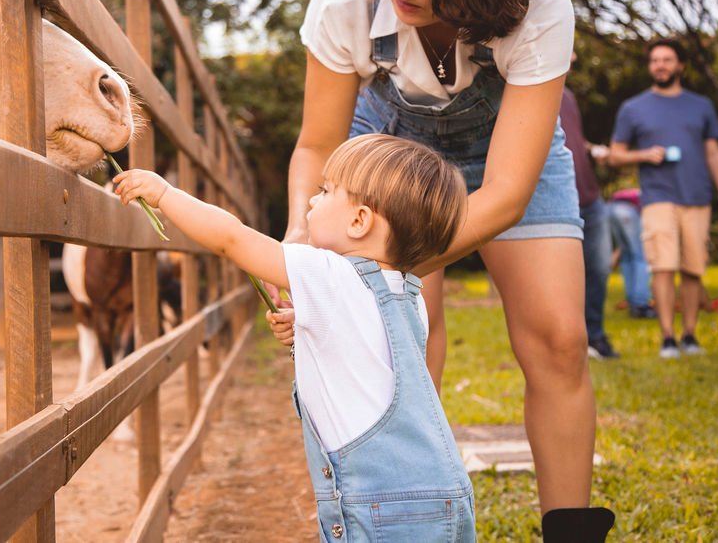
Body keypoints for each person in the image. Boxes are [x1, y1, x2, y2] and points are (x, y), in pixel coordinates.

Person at [276, 0, 614, 537]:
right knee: (402, 336)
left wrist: (392, 262)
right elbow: (316, 144)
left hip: (507, 152)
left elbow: (510, 191)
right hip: (389, 147)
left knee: (559, 338)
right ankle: (403, 517)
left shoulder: (541, 8)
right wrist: (302, 246)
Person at [113, 135, 478, 541]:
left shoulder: (326, 271)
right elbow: (365, 362)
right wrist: (306, 325)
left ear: (359, 221)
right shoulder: (410, 296)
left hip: (380, 503)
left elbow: (232, 239)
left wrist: (164, 194)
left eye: (325, 192)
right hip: (444, 493)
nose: (310, 202)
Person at [609, 38, 718, 358]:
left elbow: (712, 152)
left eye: (667, 60)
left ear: (680, 65)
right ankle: (668, 337)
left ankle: (690, 335)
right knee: (663, 266)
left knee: (693, 268)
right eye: (654, 60)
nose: (660, 65)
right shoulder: (633, 108)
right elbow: (615, 155)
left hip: (697, 196)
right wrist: (645, 155)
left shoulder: (700, 106)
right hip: (657, 198)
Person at [559, 87, 620, 359]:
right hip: (557, 199)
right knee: (564, 277)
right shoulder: (523, 86)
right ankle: (570, 341)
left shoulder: (568, 96)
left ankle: (594, 336)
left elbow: (571, 138)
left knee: (599, 270)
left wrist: (591, 149)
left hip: (589, 197)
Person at [606, 188, 657, 319]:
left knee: (627, 257)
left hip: (610, 209)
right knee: (640, 257)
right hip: (627, 210)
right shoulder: (653, 196)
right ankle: (640, 304)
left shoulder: (638, 192)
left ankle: (633, 300)